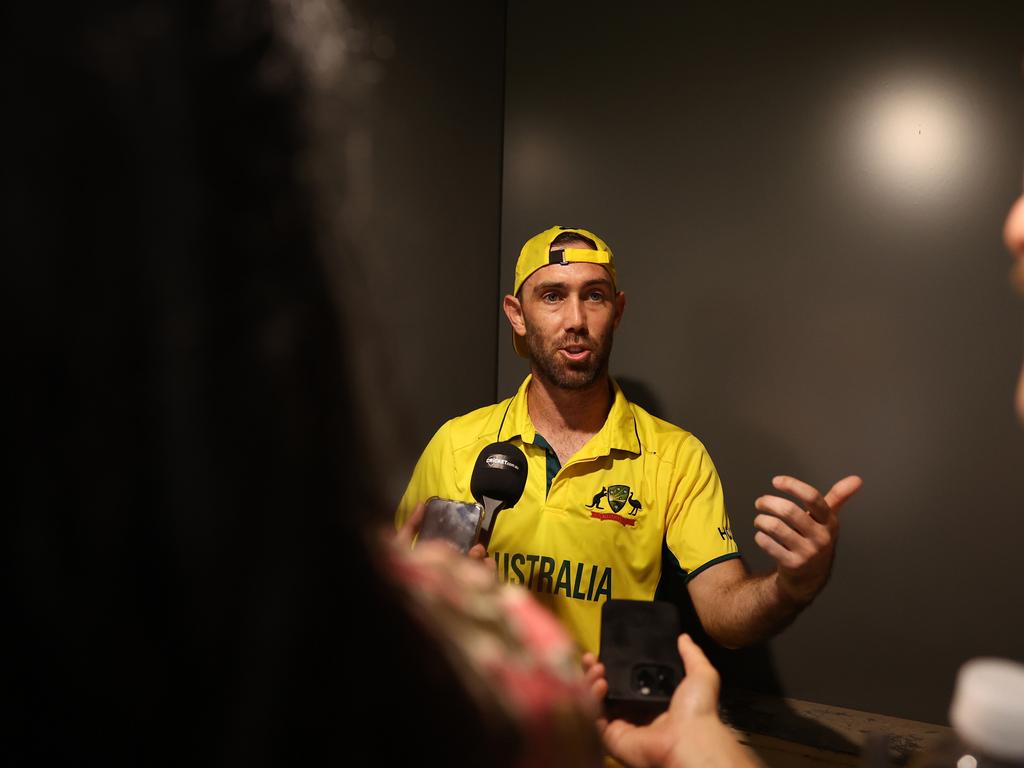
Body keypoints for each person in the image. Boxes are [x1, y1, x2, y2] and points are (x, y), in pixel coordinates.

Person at [396, 226, 862, 654]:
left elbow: (725, 615)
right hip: (483, 734)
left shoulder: (676, 458)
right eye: (552, 296)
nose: (575, 319)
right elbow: (403, 600)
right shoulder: (458, 445)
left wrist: (791, 587)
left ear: (616, 312)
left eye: (593, 296)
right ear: (517, 315)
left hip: (613, 741)